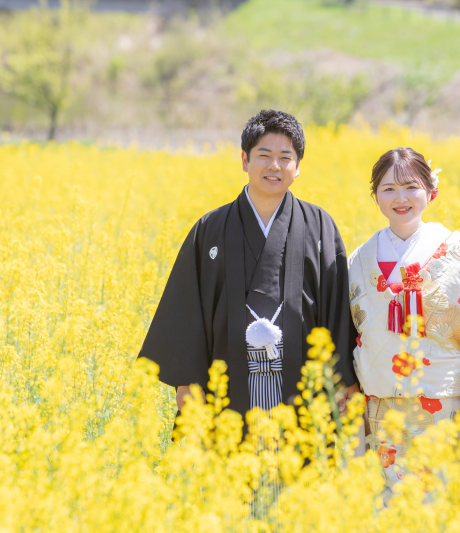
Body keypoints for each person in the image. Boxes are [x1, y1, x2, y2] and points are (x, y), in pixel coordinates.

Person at [138, 109, 359, 430]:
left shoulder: (319, 226)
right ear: (245, 160)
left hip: (303, 386)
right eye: (264, 156)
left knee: (300, 458)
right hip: (227, 386)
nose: (274, 166)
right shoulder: (210, 228)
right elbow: (187, 309)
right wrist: (187, 382)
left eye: (285, 157)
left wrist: (342, 380)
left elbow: (336, 309)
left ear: (298, 166)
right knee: (229, 455)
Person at [347, 147, 460, 498]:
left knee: (441, 503)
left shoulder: (456, 252)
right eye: (388, 189)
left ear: (430, 191)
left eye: (411, 187)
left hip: (445, 406)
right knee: (387, 509)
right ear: (375, 197)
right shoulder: (359, 259)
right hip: (382, 411)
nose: (400, 198)